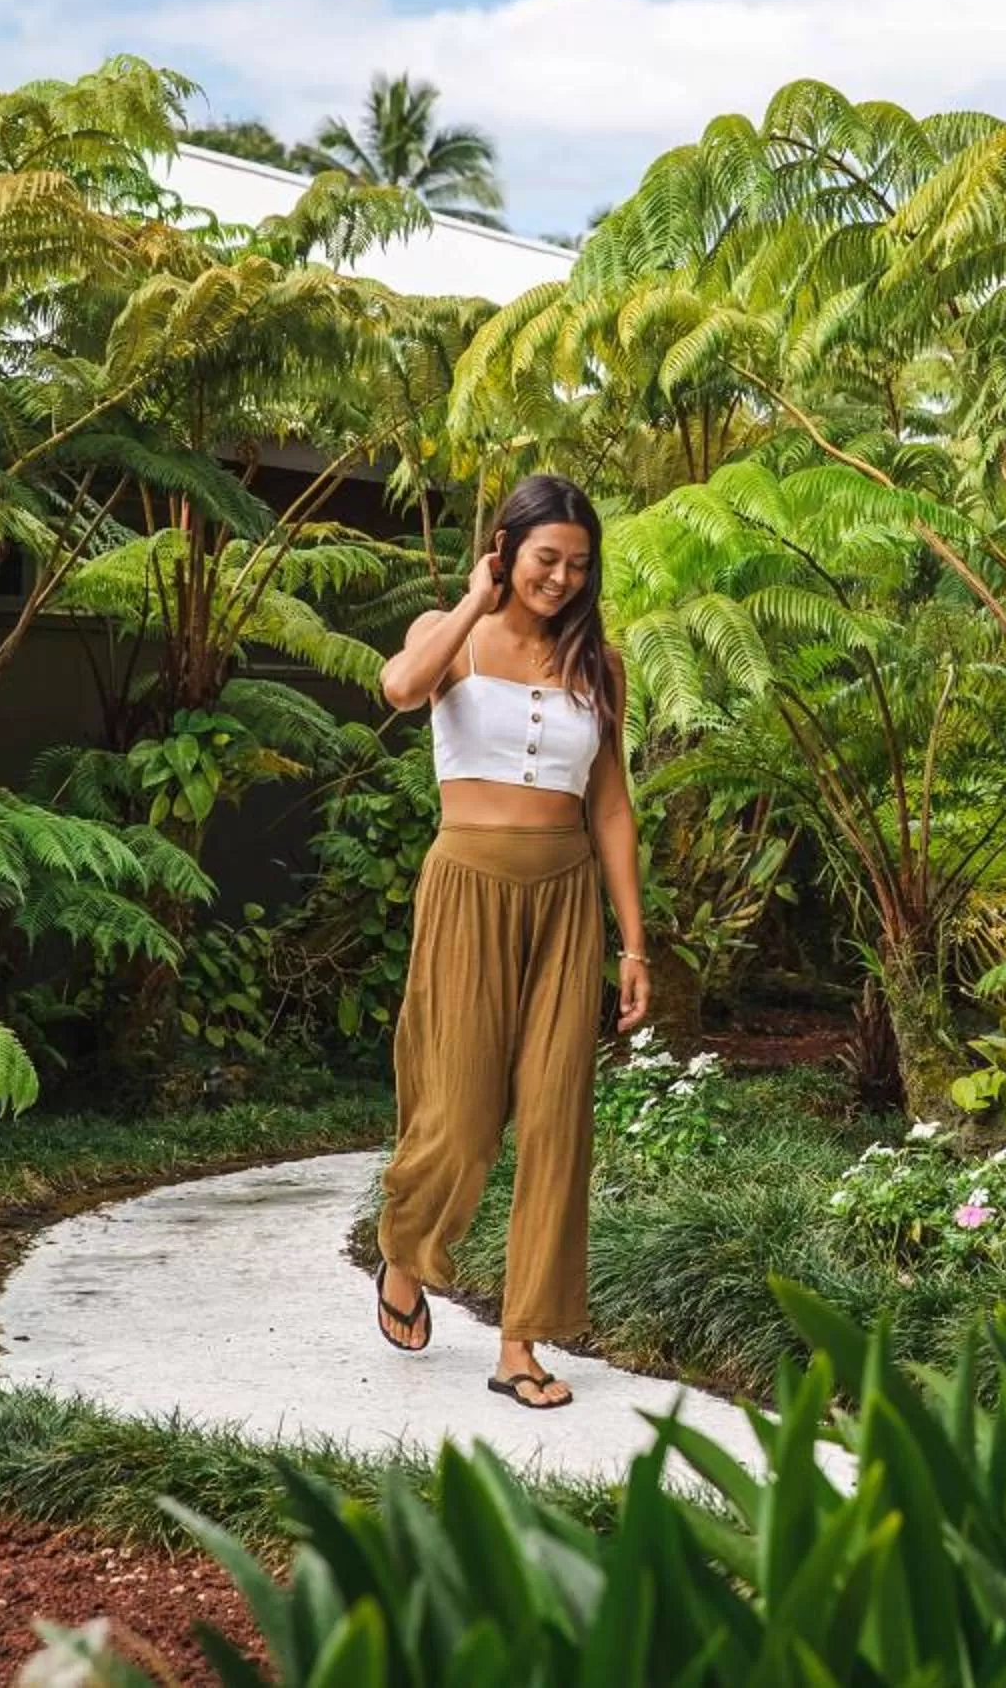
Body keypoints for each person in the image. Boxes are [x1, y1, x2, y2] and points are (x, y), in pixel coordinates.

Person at [369, 473, 648, 1410]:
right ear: (504, 549)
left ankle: (521, 1342)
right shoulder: (445, 637)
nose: (561, 578)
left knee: (559, 1121)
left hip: (567, 897)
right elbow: (401, 689)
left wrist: (634, 946)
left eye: (578, 564)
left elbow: (610, 809)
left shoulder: (599, 667)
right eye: (544, 559)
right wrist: (473, 601)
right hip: (465, 889)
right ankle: (406, 1250)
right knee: (459, 1114)